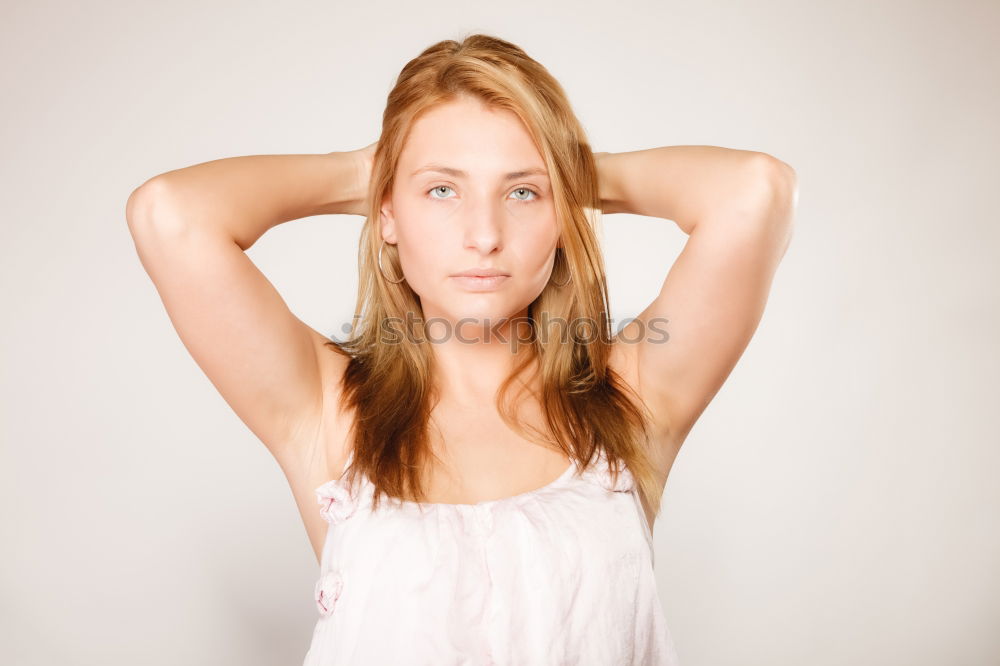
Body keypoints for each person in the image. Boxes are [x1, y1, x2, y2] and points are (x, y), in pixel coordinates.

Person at [125, 33, 796, 666]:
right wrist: (372, 170)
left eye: (522, 193)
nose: (484, 233)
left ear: (562, 215)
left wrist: (564, 170)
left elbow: (755, 191)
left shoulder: (633, 396)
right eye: (442, 190)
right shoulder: (326, 409)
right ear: (385, 212)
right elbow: (170, 213)